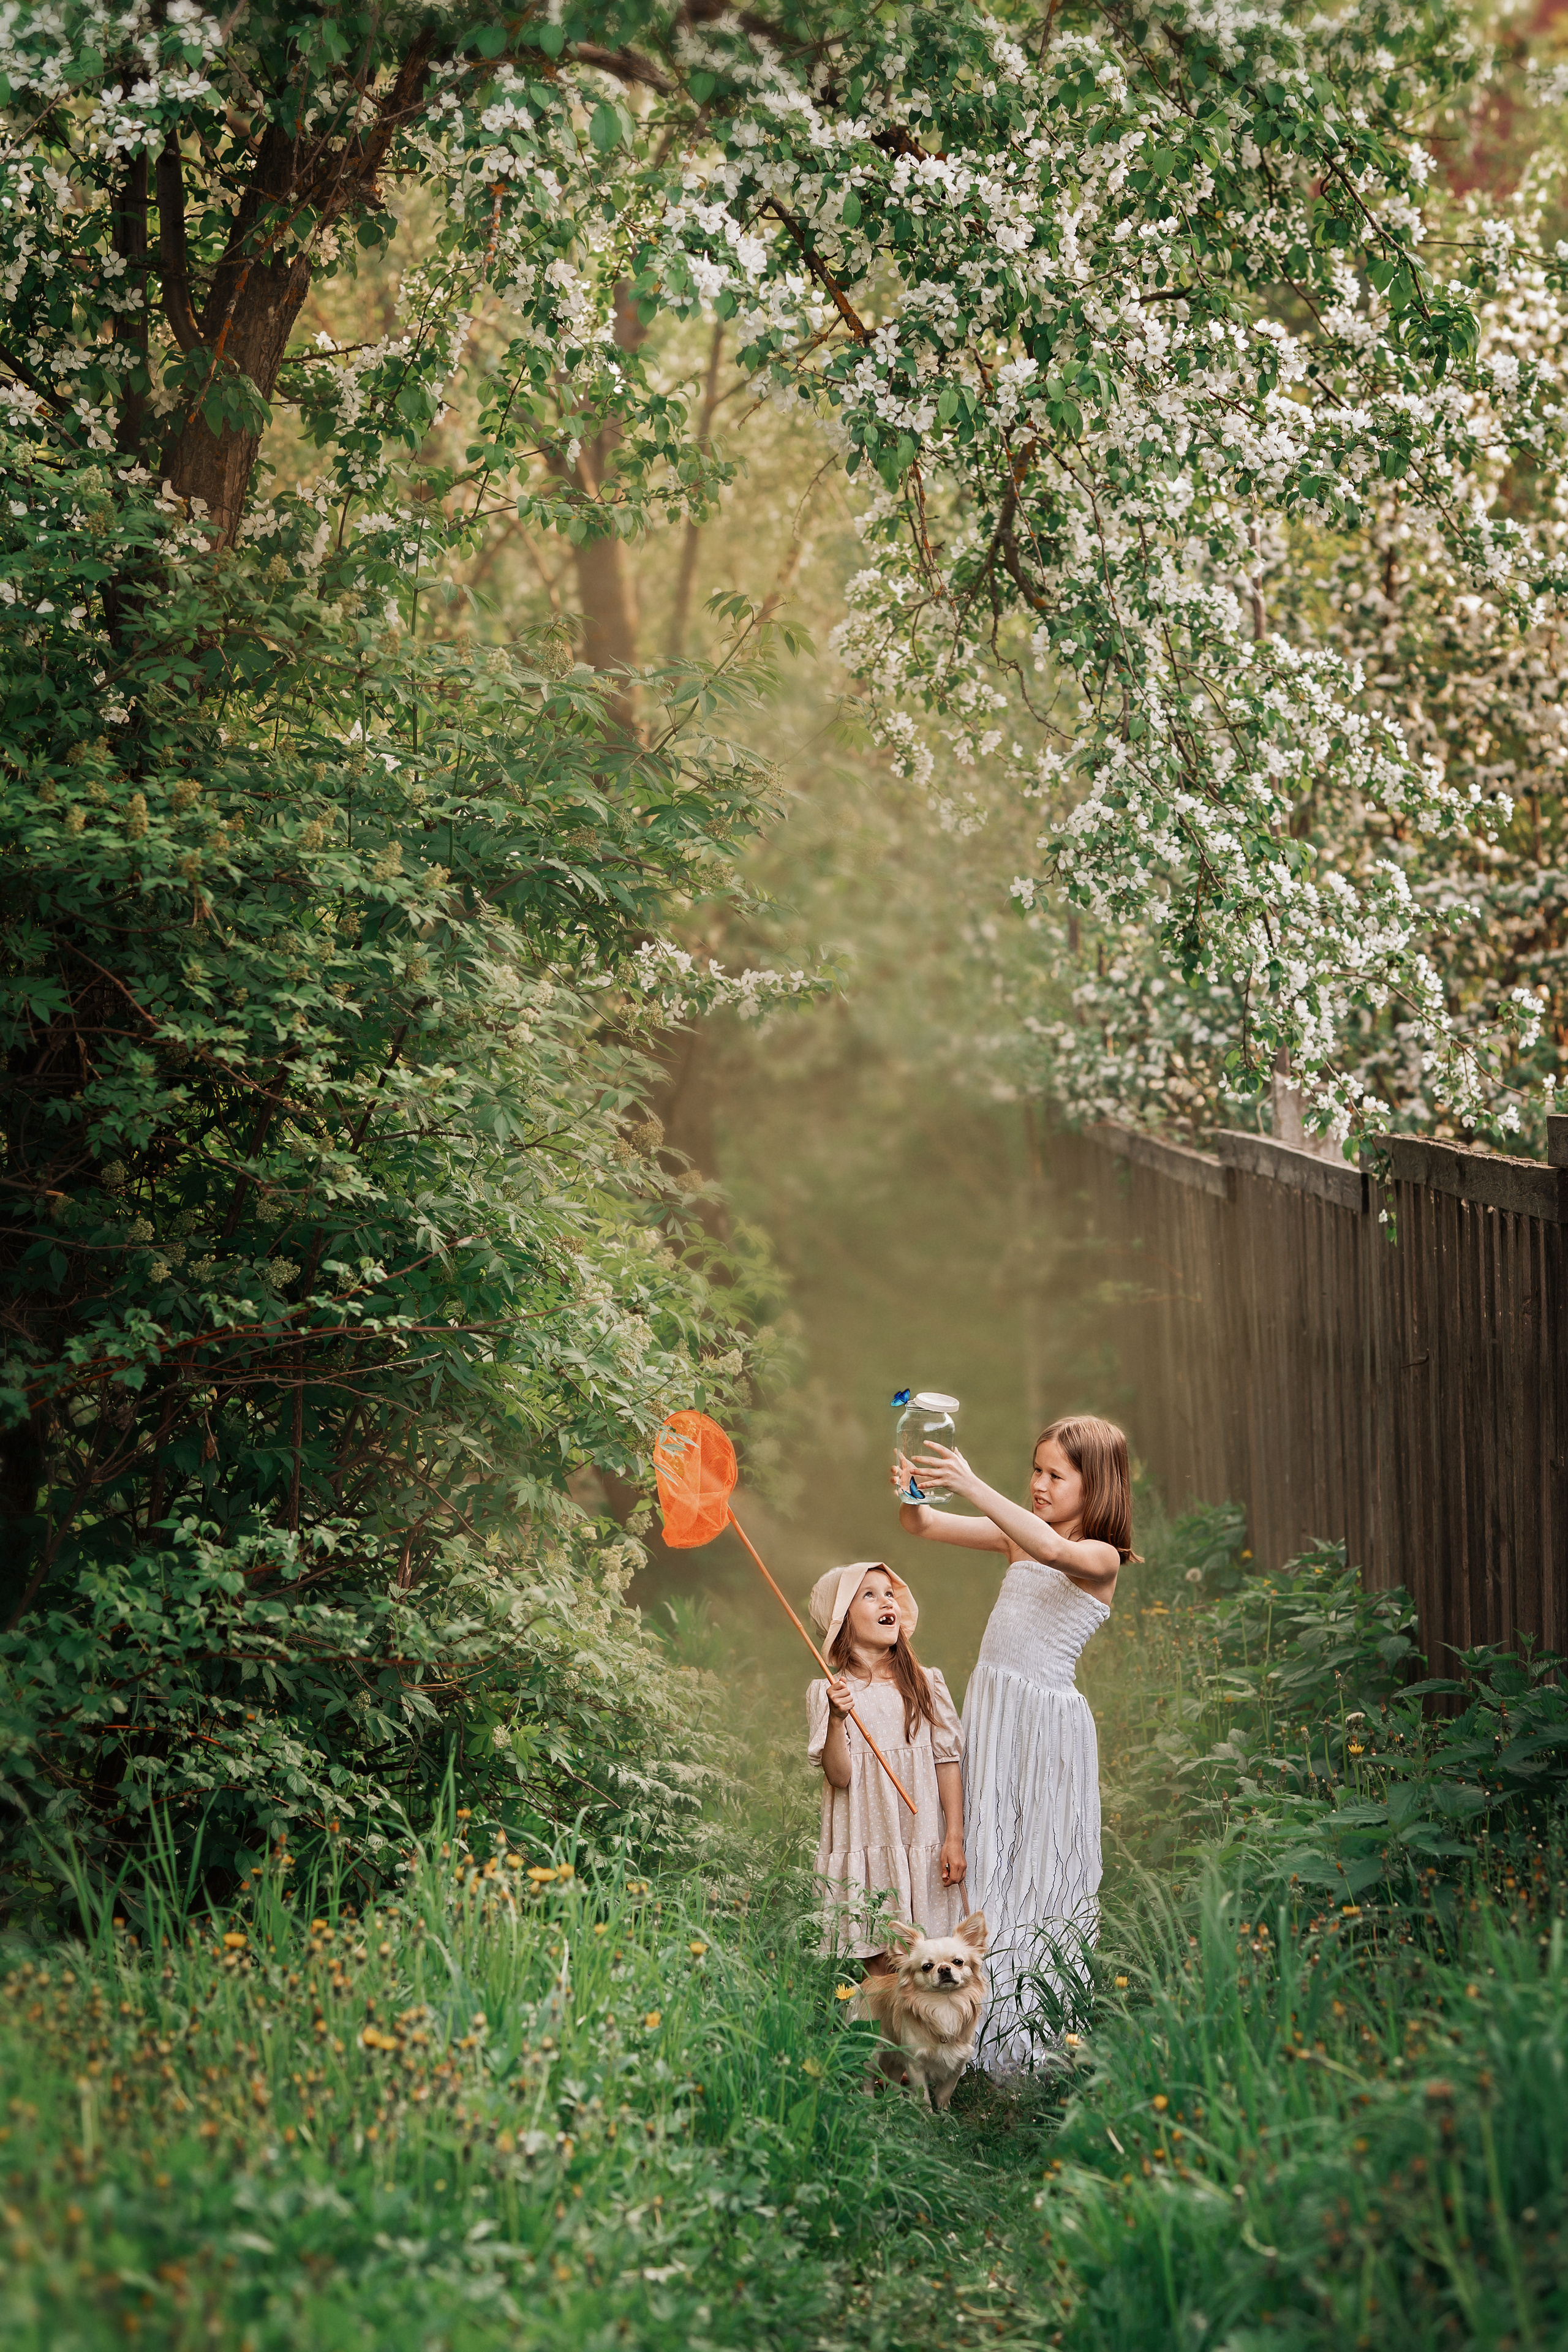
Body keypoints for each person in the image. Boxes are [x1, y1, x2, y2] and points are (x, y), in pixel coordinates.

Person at [895, 1416, 1134, 2070]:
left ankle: (1033, 2042)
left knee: (1039, 1866)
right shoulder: (1017, 1538)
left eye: (1055, 1475)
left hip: (1046, 1728)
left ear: (1098, 1486)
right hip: (994, 1715)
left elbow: (1055, 1553)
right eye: (1034, 1470)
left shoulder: (1100, 1557)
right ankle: (968, 2030)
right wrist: (915, 1491)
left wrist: (970, 1482)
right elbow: (921, 1527)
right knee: (985, 1850)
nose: (1037, 1484)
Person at [806, 1561, 968, 1972]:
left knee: (931, 1959)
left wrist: (954, 1837)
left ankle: (930, 2037)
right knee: (881, 1965)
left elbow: (946, 1760)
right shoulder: (828, 1692)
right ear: (843, 1620)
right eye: (870, 1594)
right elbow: (839, 1777)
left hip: (922, 1837)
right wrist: (838, 1718)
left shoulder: (925, 1682)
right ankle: (873, 2035)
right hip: (868, 1836)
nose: (886, 1601)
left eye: (890, 1593)